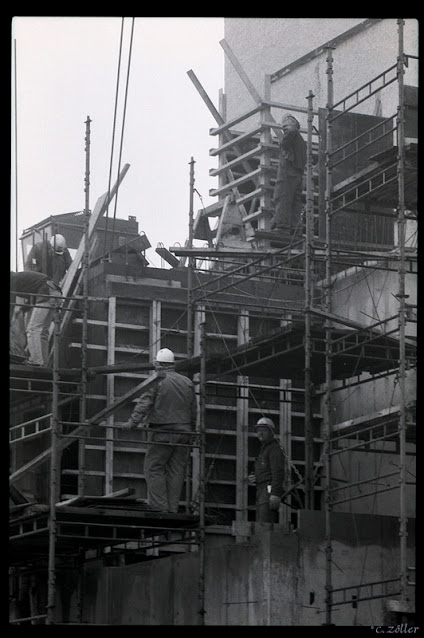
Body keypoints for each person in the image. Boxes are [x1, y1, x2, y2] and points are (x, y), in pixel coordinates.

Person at [122, 348, 197, 513]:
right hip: (184, 432)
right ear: (172, 364)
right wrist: (192, 429)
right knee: (177, 470)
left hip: (163, 431)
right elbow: (193, 409)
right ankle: (172, 508)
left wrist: (132, 422)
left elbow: (145, 402)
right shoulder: (187, 382)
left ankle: (159, 508)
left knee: (154, 467)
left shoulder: (157, 380)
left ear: (157, 363)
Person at [10, 270, 62, 366]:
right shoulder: (21, 278)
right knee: (43, 332)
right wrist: (22, 309)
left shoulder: (12, 279)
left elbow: (11, 303)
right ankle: (43, 362)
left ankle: (36, 361)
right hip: (56, 294)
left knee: (33, 329)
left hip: (46, 293)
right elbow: (31, 298)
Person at [271, 114, 307, 241]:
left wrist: (283, 143)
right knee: (295, 202)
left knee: (282, 196)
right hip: (298, 174)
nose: (283, 127)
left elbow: (290, 132)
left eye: (285, 125)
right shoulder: (301, 141)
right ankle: (295, 228)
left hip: (288, 172)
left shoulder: (292, 133)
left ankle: (282, 226)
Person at [248, 417, 286, 523]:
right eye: (258, 430)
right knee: (261, 518)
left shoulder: (274, 449)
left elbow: (278, 472)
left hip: (268, 489)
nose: (260, 433)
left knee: (265, 520)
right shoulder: (264, 449)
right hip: (261, 488)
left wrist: (275, 494)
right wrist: (254, 477)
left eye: (264, 430)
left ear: (271, 432)